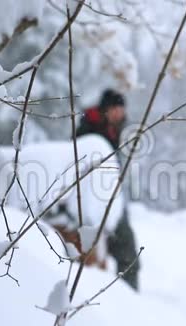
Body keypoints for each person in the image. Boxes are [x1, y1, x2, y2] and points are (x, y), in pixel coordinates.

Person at [75, 89, 140, 290]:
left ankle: (129, 298)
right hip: (91, 199)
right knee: (94, 258)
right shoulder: (89, 128)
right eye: (116, 109)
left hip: (113, 195)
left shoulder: (118, 129)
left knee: (128, 254)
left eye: (122, 110)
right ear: (106, 110)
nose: (120, 114)